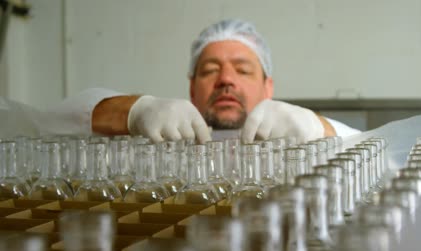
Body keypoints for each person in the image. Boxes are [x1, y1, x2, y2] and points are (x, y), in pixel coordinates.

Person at [1, 19, 359, 142]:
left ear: (269, 87)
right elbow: (41, 123)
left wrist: (319, 128)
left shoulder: (303, 141)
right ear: (190, 88)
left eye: (243, 69)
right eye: (209, 70)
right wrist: (134, 110)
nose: (226, 80)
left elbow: (383, 152)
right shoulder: (155, 142)